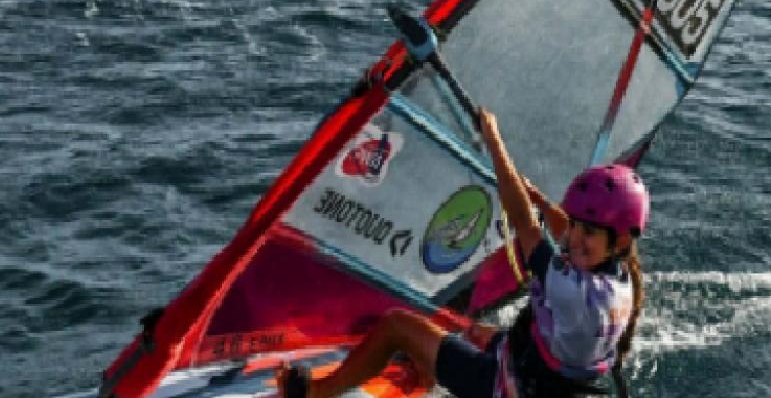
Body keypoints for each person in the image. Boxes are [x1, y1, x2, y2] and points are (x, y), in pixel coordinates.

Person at [278, 107, 648, 398]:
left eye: (589, 233)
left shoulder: (574, 290)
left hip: (505, 387)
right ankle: (430, 366)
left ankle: (315, 392)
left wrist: (493, 139)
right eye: (578, 226)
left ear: (618, 241)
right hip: (534, 369)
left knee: (395, 325)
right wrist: (539, 198)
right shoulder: (621, 278)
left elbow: (524, 223)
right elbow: (563, 228)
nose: (576, 238)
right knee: (469, 330)